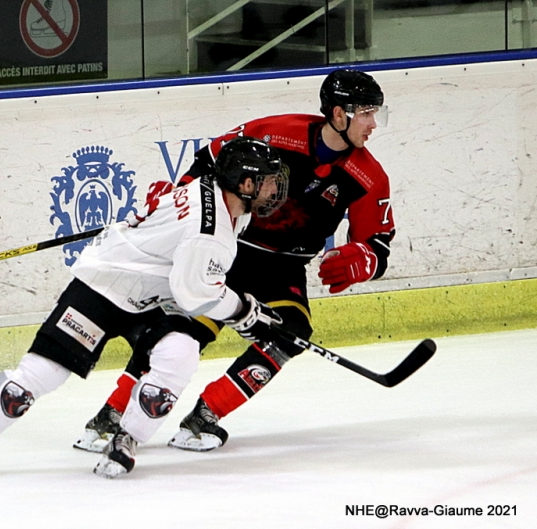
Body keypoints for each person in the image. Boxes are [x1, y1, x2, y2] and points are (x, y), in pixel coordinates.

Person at [73, 68, 396, 453]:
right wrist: (177, 196)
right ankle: (112, 414)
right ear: (339, 114)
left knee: (288, 331)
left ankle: (206, 415)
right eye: (366, 113)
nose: (374, 123)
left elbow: (378, 242)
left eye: (377, 113)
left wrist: (364, 260)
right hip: (227, 250)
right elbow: (210, 164)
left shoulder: (370, 176)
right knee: (183, 329)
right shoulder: (276, 132)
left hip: (283, 269)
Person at [0, 137, 289, 479]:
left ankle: (127, 438)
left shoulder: (220, 198)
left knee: (180, 353)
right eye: (269, 181)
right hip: (104, 285)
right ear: (245, 183)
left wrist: (238, 309)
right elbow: (195, 294)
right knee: (42, 373)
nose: (275, 189)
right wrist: (243, 312)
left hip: (154, 296)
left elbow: (187, 277)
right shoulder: (210, 231)